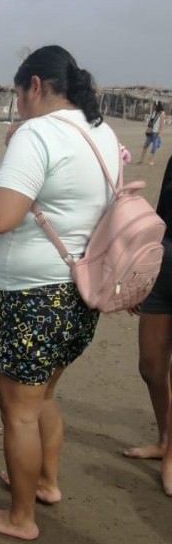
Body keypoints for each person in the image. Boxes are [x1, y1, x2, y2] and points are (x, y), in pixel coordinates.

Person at [0, 45, 119, 540]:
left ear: (35, 86)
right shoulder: (99, 131)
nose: (18, 104)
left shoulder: (39, 134)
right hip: (78, 290)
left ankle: (21, 517)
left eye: (19, 94)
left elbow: (0, 216)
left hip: (30, 298)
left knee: (18, 411)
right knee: (44, 397)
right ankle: (45, 481)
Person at [122, 153, 172, 465]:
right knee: (151, 368)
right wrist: (144, 272)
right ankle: (164, 440)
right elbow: (161, 218)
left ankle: (171, 459)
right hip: (166, 270)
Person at [137, 100, 165, 166]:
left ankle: (152, 161)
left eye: (154, 105)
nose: (153, 106)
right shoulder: (154, 112)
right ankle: (141, 160)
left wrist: (159, 134)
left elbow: (161, 125)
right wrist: (147, 129)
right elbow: (151, 122)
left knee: (154, 148)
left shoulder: (162, 113)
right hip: (150, 131)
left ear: (157, 105)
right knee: (145, 146)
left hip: (156, 133)